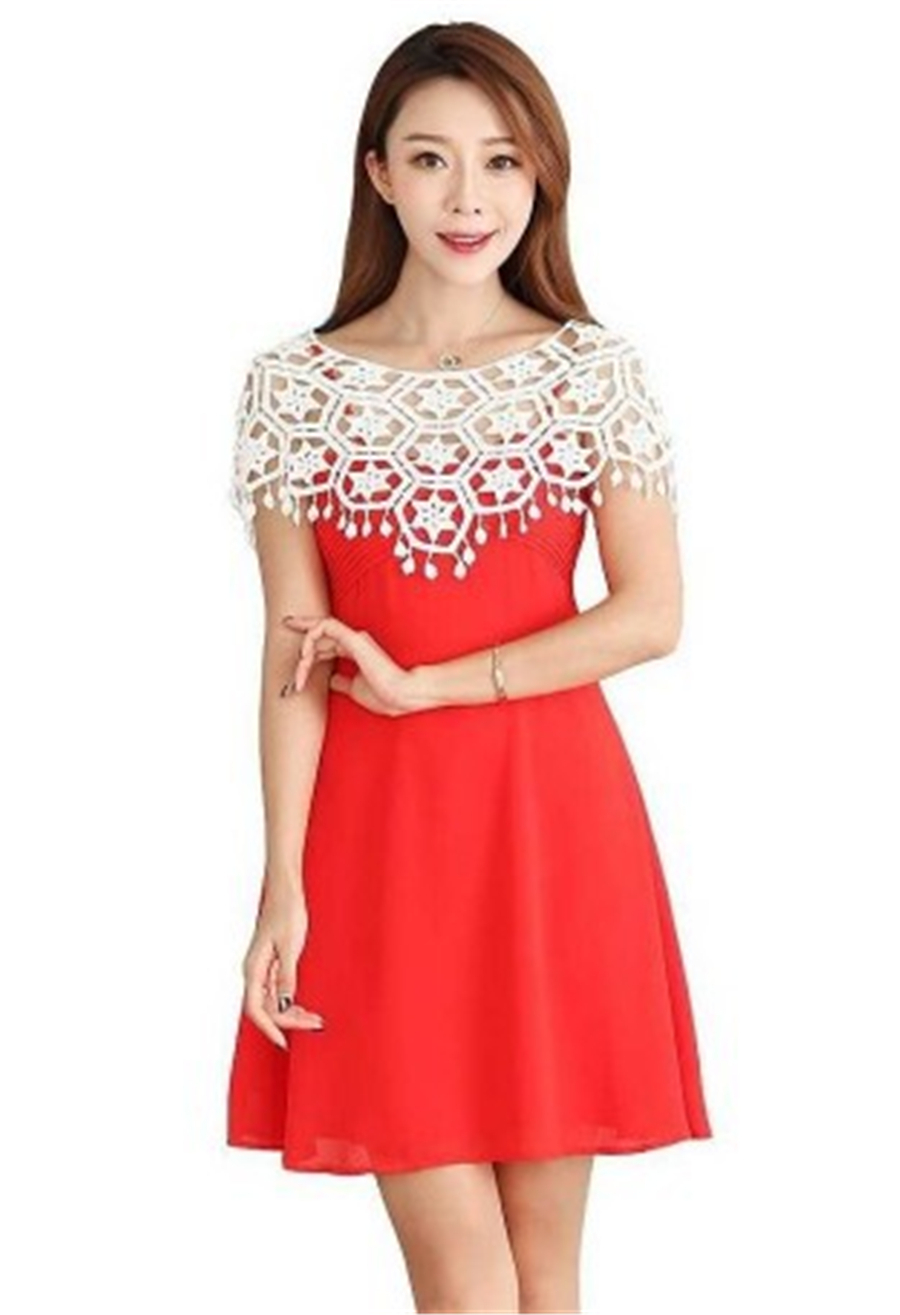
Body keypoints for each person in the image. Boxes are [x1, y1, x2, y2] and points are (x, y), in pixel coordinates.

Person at [225, 19, 713, 1315]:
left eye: (501, 161)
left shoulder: (591, 373)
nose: (468, 197)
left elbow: (651, 614)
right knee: (464, 1279)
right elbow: (290, 651)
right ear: (378, 172)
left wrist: (431, 684)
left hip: (553, 830)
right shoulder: (294, 388)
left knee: (545, 1277)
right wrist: (281, 885)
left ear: (540, 176)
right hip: (379, 845)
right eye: (432, 158)